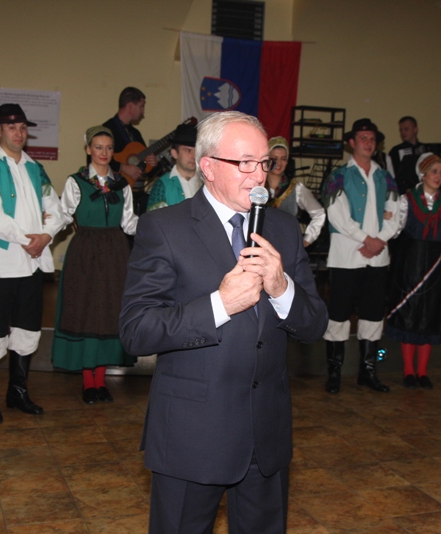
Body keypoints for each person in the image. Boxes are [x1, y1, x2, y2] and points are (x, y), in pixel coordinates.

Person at [119, 111, 327, 533]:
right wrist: (220, 304)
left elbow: (314, 325)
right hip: (192, 434)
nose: (259, 175)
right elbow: (136, 330)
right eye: (244, 162)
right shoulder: (165, 227)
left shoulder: (284, 229)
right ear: (208, 166)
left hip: (265, 436)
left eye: (264, 162)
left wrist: (282, 288)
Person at [0, 103, 63, 424]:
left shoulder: (36, 168)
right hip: (1, 264)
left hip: (32, 264)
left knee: (27, 330)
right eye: (11, 127)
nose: (18, 133)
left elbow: (56, 209)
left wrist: (46, 235)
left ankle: (18, 392)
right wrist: (28, 239)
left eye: (22, 127)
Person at [52, 126, 138, 404]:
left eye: (109, 148)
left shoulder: (122, 184)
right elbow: (63, 215)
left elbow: (129, 223)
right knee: (86, 311)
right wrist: (43, 235)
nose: (104, 153)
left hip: (115, 253)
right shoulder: (76, 182)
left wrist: (157, 225)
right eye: (98, 147)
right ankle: (87, 382)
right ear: (88, 149)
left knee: (108, 313)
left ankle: (101, 380)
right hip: (85, 253)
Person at [321, 118, 401, 394]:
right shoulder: (338, 176)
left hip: (377, 258)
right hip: (346, 257)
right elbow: (337, 215)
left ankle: (368, 372)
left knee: (373, 315)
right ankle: (334, 373)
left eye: (372, 139)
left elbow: (396, 212)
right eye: (363, 138)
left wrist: (380, 241)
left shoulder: (385, 177)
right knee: (338, 315)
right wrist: (368, 240)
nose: (368, 143)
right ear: (352, 143)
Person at [386, 153, 441, 389]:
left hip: (434, 261)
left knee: (429, 312)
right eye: (434, 172)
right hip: (411, 260)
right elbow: (396, 229)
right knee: (410, 312)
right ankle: (408, 370)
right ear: (423, 174)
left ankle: (423, 371)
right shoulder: (406, 200)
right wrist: (387, 219)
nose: (438, 176)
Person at [265, 136, 325, 247]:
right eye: (274, 158)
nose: (279, 163)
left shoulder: (295, 188)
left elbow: (319, 213)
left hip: (286, 246)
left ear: (287, 162)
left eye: (283, 159)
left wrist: (307, 239)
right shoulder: (257, 186)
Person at [103, 87, 158, 186]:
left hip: (135, 190)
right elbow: (96, 159)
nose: (143, 112)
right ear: (131, 106)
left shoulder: (135, 133)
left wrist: (153, 163)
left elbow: (146, 171)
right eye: (141, 107)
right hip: (113, 189)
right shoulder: (107, 129)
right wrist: (123, 168)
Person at [146, 123, 201, 211]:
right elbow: (153, 218)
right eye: (188, 151)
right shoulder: (162, 185)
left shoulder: (207, 184)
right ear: (174, 153)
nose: (193, 156)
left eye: (197, 151)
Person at [389, 116, 441, 194]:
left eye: (406, 129)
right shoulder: (396, 151)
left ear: (415, 130)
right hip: (406, 193)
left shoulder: (429, 149)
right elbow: (394, 176)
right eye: (401, 130)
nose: (403, 132)